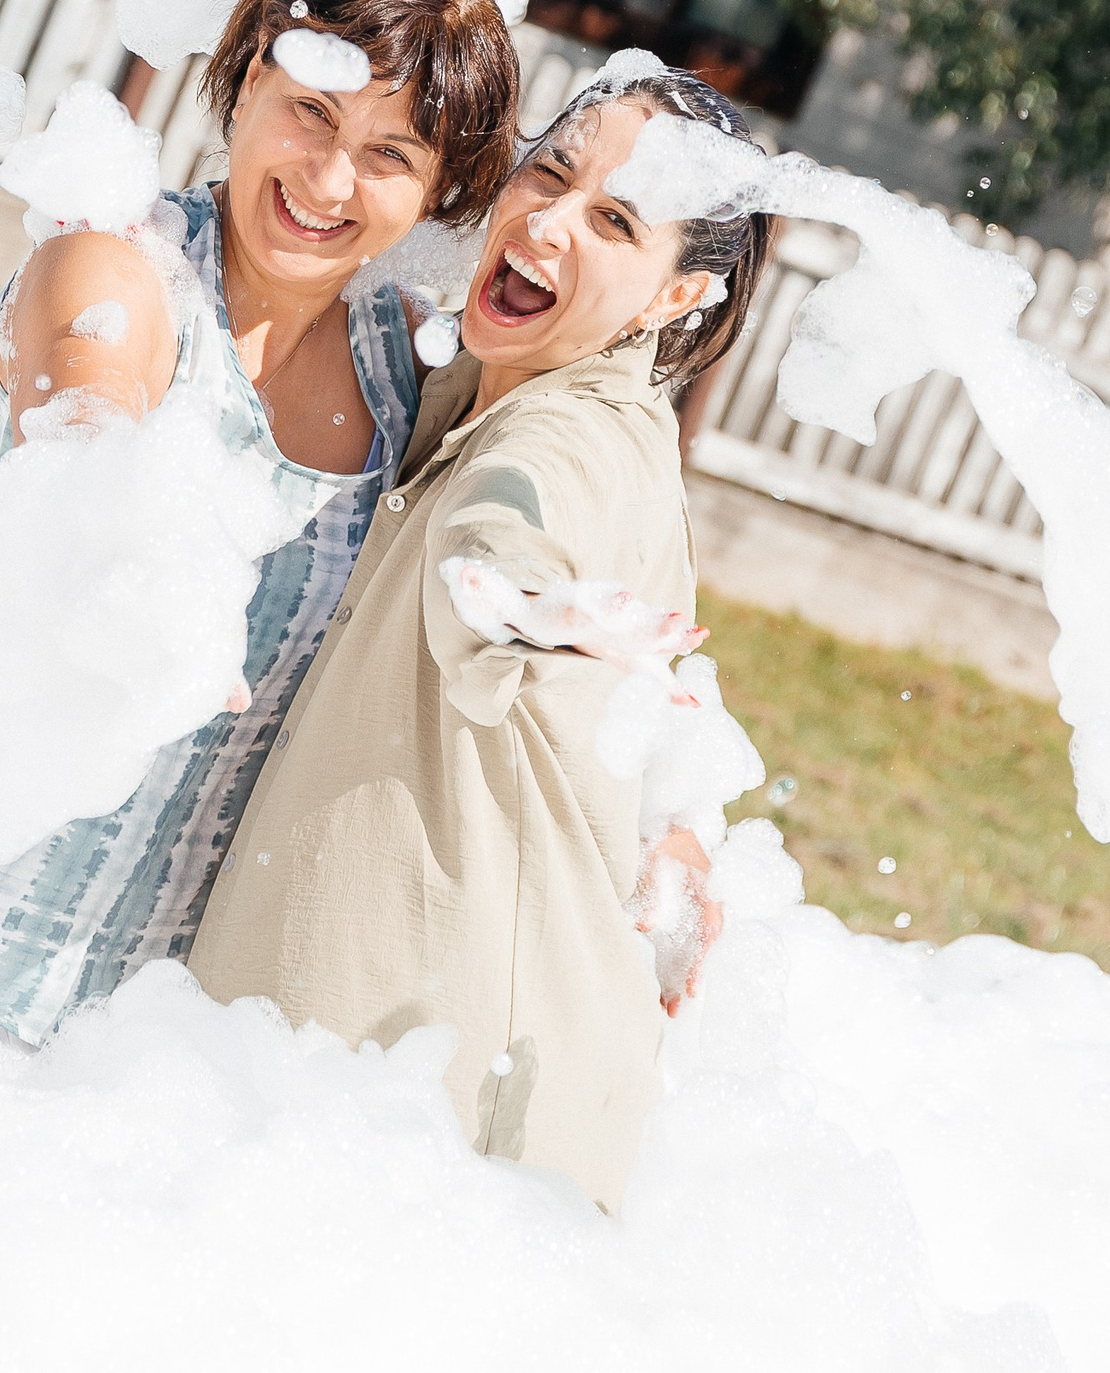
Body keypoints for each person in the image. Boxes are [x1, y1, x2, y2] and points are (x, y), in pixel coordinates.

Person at [0, 0, 520, 1117]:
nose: (330, 176)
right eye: (311, 112)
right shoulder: (118, 268)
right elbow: (85, 417)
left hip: (91, 1016)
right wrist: (134, 558)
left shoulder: (400, 369)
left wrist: (672, 811)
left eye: (390, 155)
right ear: (248, 82)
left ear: (436, 192)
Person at [188, 65, 773, 1211]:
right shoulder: (476, 378)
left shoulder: (577, 436)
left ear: (675, 297)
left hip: (451, 1124)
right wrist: (678, 817)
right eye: (552, 173)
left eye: (615, 222)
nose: (549, 223)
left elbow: (509, 519)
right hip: (388, 1087)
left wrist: (509, 599)